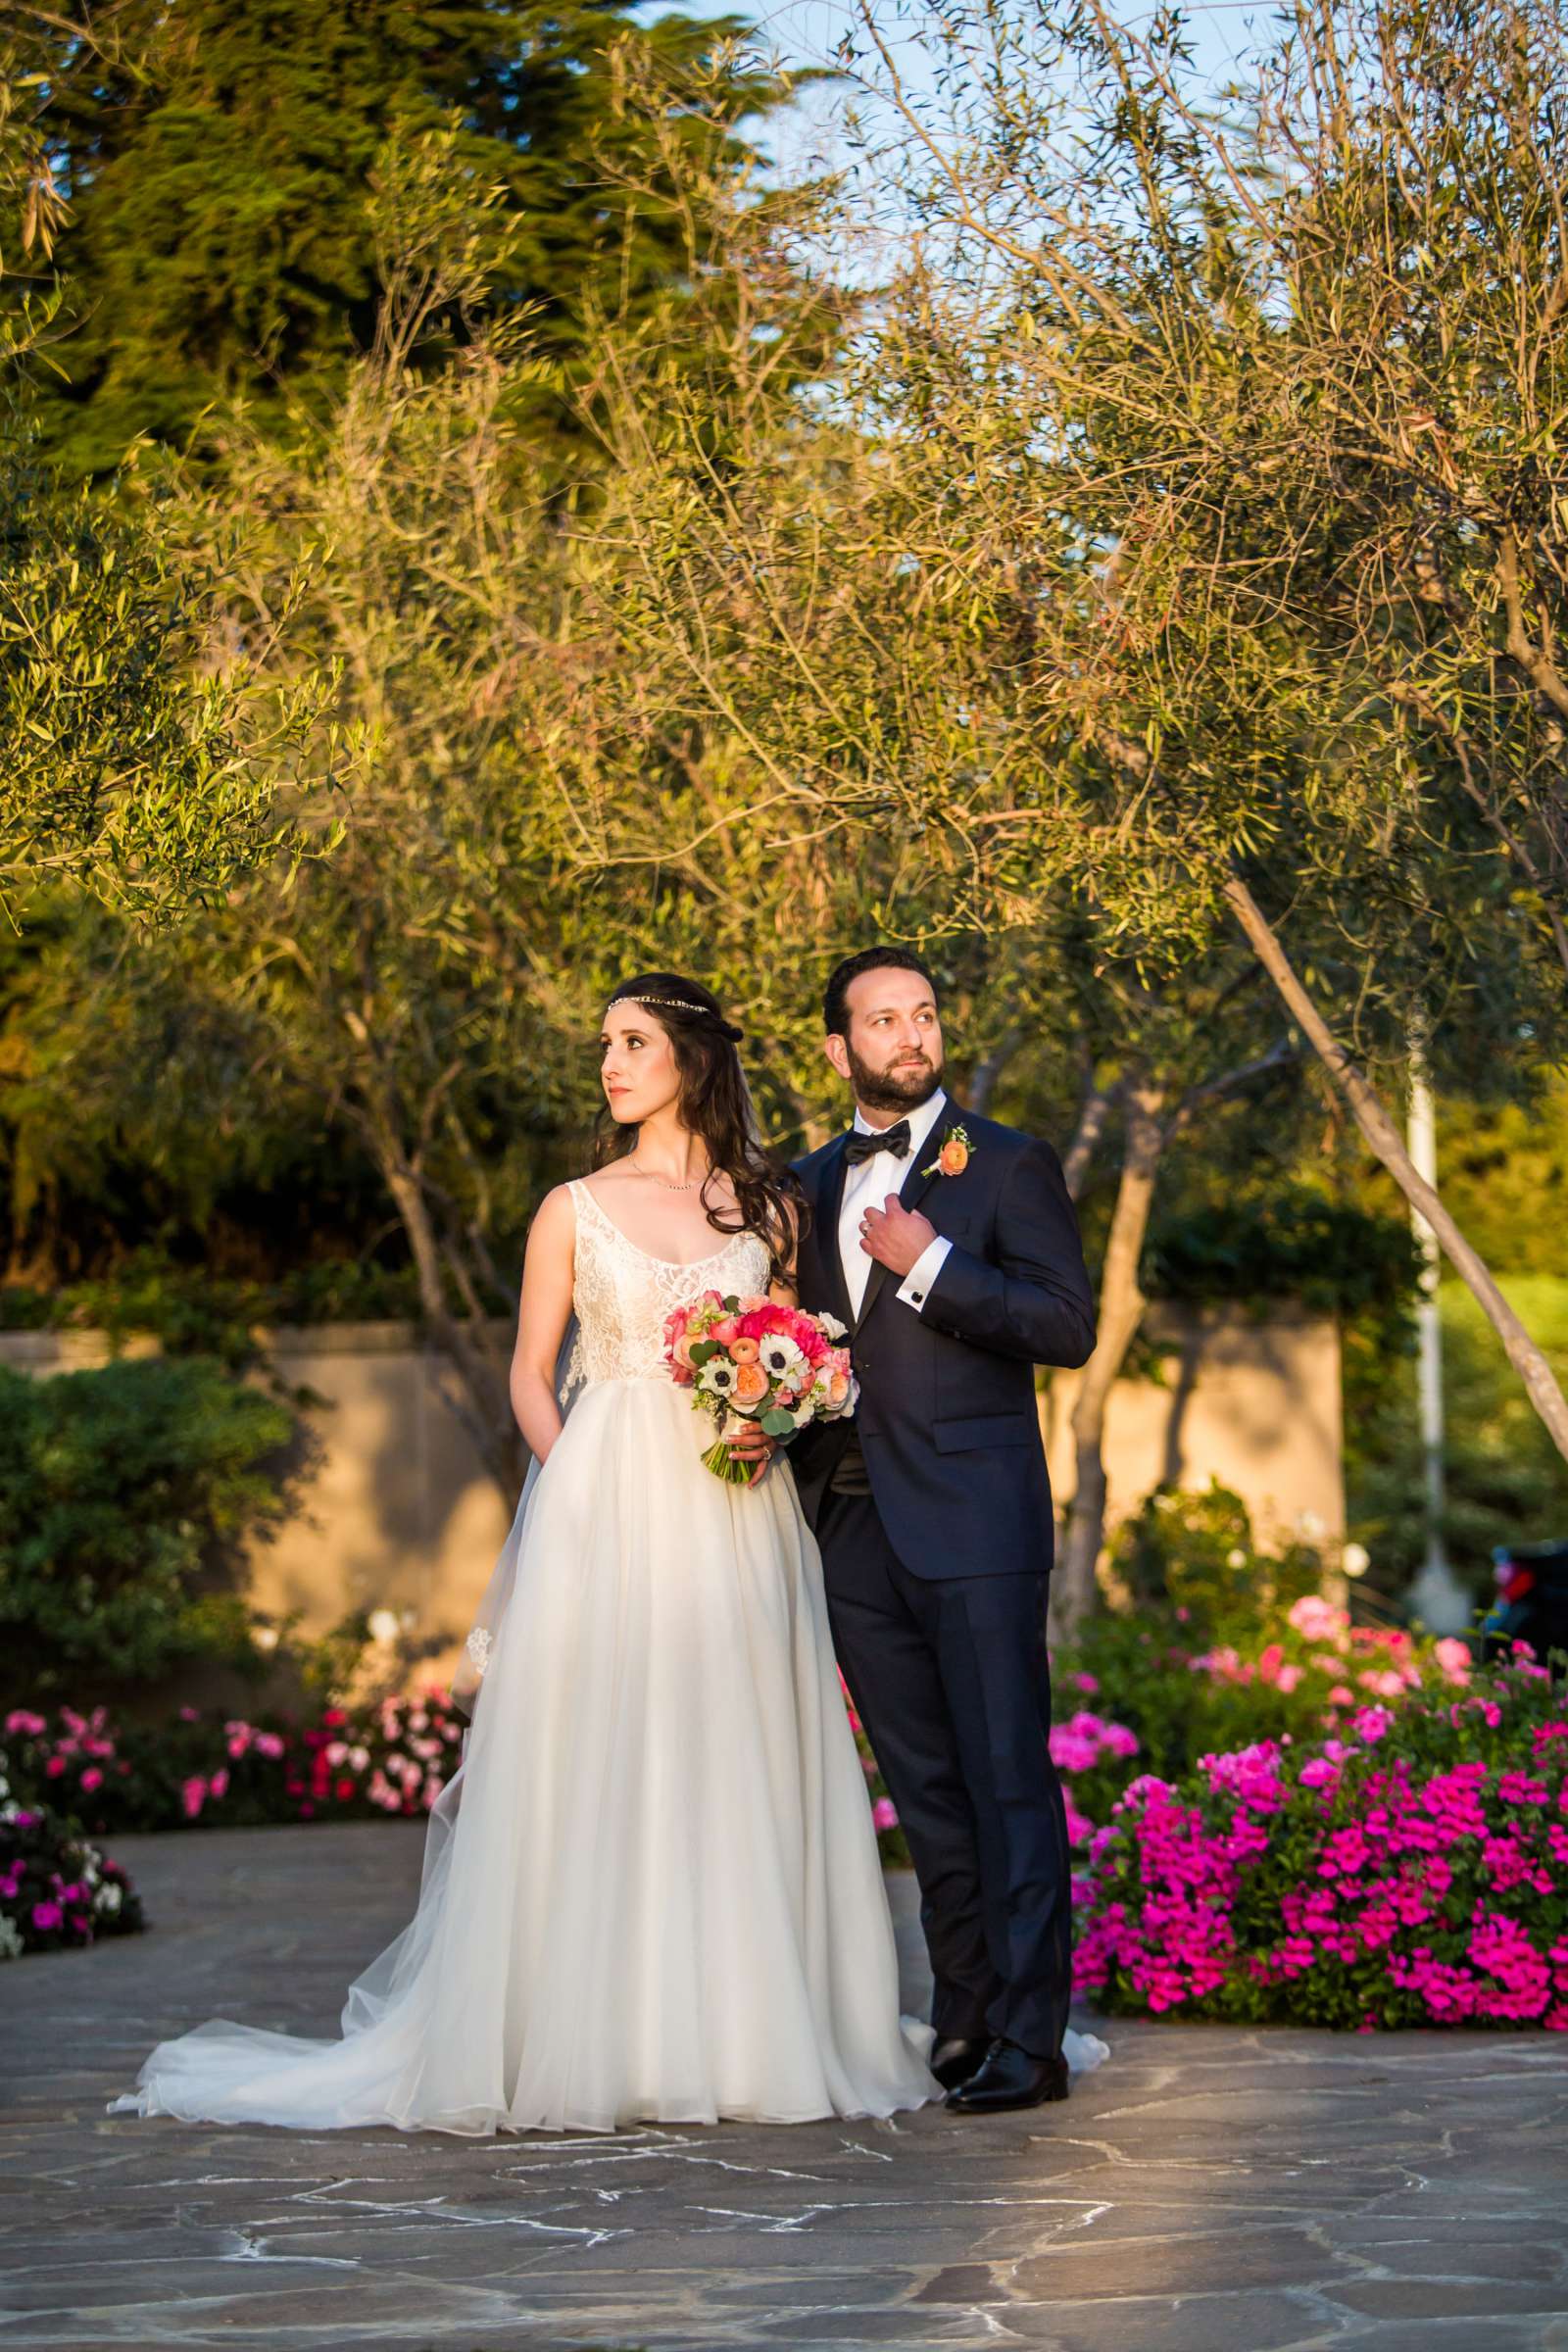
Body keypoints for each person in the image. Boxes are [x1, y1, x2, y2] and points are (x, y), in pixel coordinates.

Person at [111, 975, 937, 2135]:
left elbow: (797, 1345)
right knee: (603, 1757)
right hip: (607, 1509)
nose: (610, 1063)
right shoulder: (571, 1206)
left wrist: (777, 1414)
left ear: (692, 1060)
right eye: (605, 1044)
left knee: (732, 1749)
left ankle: (748, 2030)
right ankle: (593, 2030)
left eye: (634, 1043)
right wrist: (575, 1494)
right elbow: (526, 1374)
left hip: (738, 1511)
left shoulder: (768, 1209)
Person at [788, 947, 1101, 2114]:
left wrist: (933, 1268)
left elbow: (1065, 1326)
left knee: (1005, 1780)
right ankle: (965, 2021)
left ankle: (1033, 2041)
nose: (909, 1036)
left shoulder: (1007, 1165)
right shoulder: (804, 1181)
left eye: (922, 1014)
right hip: (852, 1527)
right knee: (924, 1793)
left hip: (975, 1523)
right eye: (882, 1021)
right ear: (839, 1049)